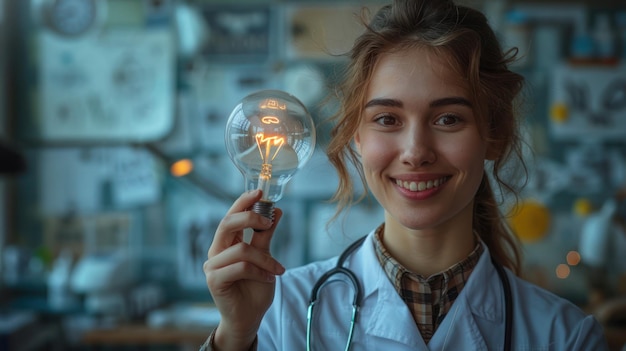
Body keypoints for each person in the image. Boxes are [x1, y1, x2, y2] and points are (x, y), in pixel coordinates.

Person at [202, 0, 609, 350]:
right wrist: (235, 336)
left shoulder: (565, 336)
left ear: (495, 135)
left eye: (448, 119)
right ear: (356, 137)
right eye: (387, 119)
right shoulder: (280, 311)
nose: (415, 152)